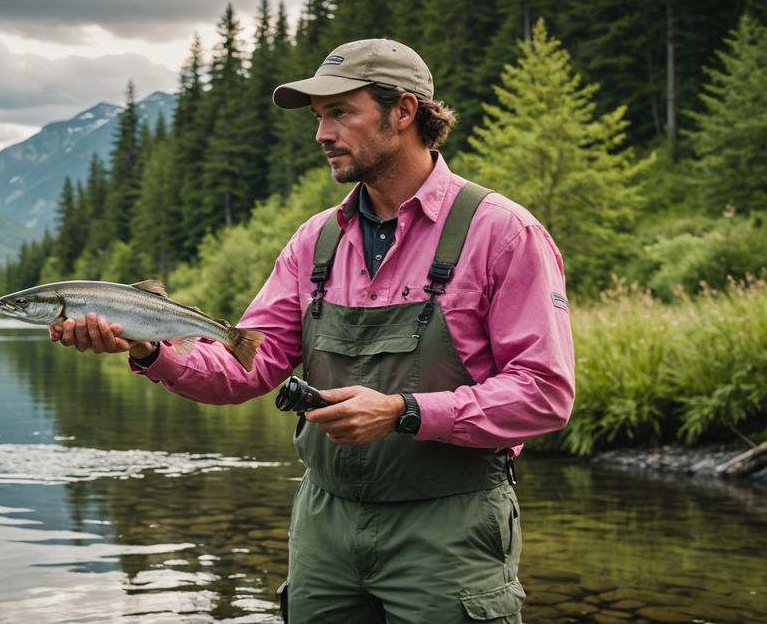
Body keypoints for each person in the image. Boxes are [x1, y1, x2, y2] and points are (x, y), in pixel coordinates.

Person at [49, 38, 574, 624]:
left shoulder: (502, 233)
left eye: (340, 112)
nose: (321, 133)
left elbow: (545, 394)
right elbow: (244, 365)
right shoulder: (314, 241)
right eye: (320, 117)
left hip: (451, 526)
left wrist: (404, 410)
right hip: (324, 526)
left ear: (404, 112)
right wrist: (150, 349)